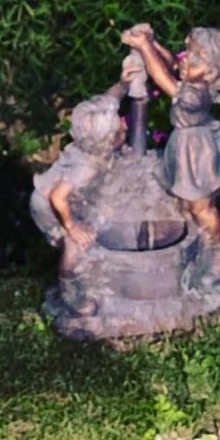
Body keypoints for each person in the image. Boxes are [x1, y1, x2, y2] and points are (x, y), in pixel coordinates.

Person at [120, 24, 220, 247]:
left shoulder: (196, 96)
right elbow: (174, 65)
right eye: (188, 52)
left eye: (195, 59)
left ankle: (217, 246)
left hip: (195, 151)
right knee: (188, 201)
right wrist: (154, 44)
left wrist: (145, 47)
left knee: (201, 205)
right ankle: (199, 239)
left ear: (211, 73)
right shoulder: (196, 79)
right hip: (185, 144)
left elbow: (162, 78)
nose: (186, 60)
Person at [29, 70, 134, 310]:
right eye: (119, 130)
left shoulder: (93, 124)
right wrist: (72, 226)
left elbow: (110, 98)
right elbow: (57, 196)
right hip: (50, 205)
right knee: (75, 243)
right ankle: (71, 293)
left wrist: (123, 83)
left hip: (65, 197)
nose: (124, 125)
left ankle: (86, 273)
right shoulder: (87, 167)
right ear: (107, 143)